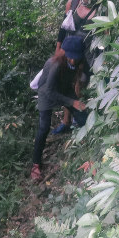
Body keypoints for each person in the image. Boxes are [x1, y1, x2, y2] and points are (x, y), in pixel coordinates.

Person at [30, 36, 88, 181]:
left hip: (64, 90)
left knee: (82, 114)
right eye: (70, 57)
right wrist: (71, 101)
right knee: (43, 128)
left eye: (76, 57)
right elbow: (49, 91)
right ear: (64, 53)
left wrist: (75, 100)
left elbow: (78, 77)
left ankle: (88, 143)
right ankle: (35, 164)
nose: (73, 61)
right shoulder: (55, 64)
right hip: (47, 93)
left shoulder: (79, 60)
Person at [52, 0, 96, 135]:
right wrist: (58, 48)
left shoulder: (99, 7)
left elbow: (104, 33)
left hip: (86, 52)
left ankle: (77, 118)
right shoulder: (73, 2)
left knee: (81, 83)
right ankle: (66, 121)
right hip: (70, 50)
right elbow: (63, 28)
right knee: (67, 83)